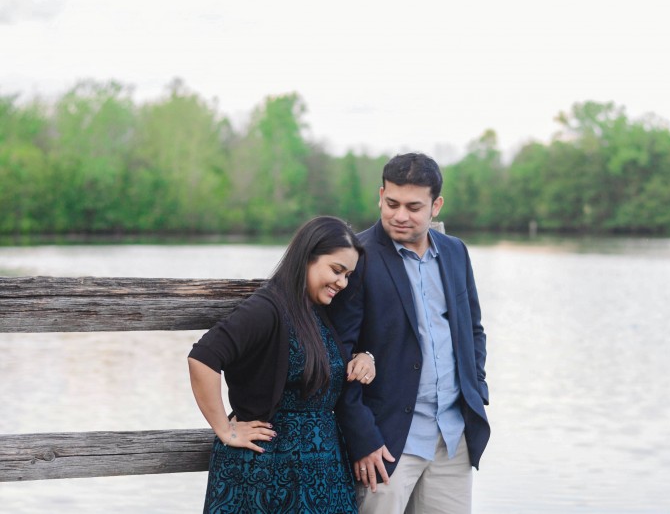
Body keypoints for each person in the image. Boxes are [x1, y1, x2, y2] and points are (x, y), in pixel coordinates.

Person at [329, 152, 490, 514]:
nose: (400, 215)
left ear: (436, 205)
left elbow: (473, 330)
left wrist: (476, 387)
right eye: (392, 203)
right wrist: (363, 439)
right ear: (380, 195)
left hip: (453, 437)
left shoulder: (455, 252)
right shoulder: (358, 257)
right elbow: (338, 353)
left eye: (414, 207)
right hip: (386, 441)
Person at [188, 215, 377, 513]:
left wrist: (362, 357)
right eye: (337, 270)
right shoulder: (268, 308)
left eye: (348, 275)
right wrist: (225, 429)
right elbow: (203, 358)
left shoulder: (314, 310)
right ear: (307, 257)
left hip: (321, 470)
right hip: (269, 471)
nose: (342, 282)